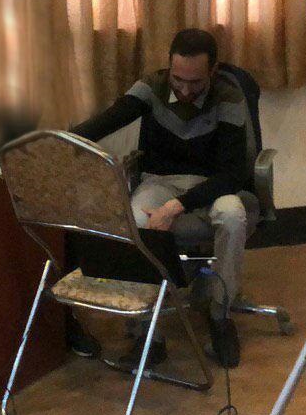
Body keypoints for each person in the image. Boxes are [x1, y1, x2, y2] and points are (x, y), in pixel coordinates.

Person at [69, 28, 257, 368]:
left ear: (213, 71)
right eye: (177, 79)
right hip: (160, 182)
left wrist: (177, 206)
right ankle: (148, 335)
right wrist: (58, 141)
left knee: (233, 216)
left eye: (195, 82)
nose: (184, 90)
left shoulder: (229, 98)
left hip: (212, 186)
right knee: (137, 220)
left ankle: (220, 316)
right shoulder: (151, 87)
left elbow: (233, 174)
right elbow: (106, 122)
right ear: (169, 66)